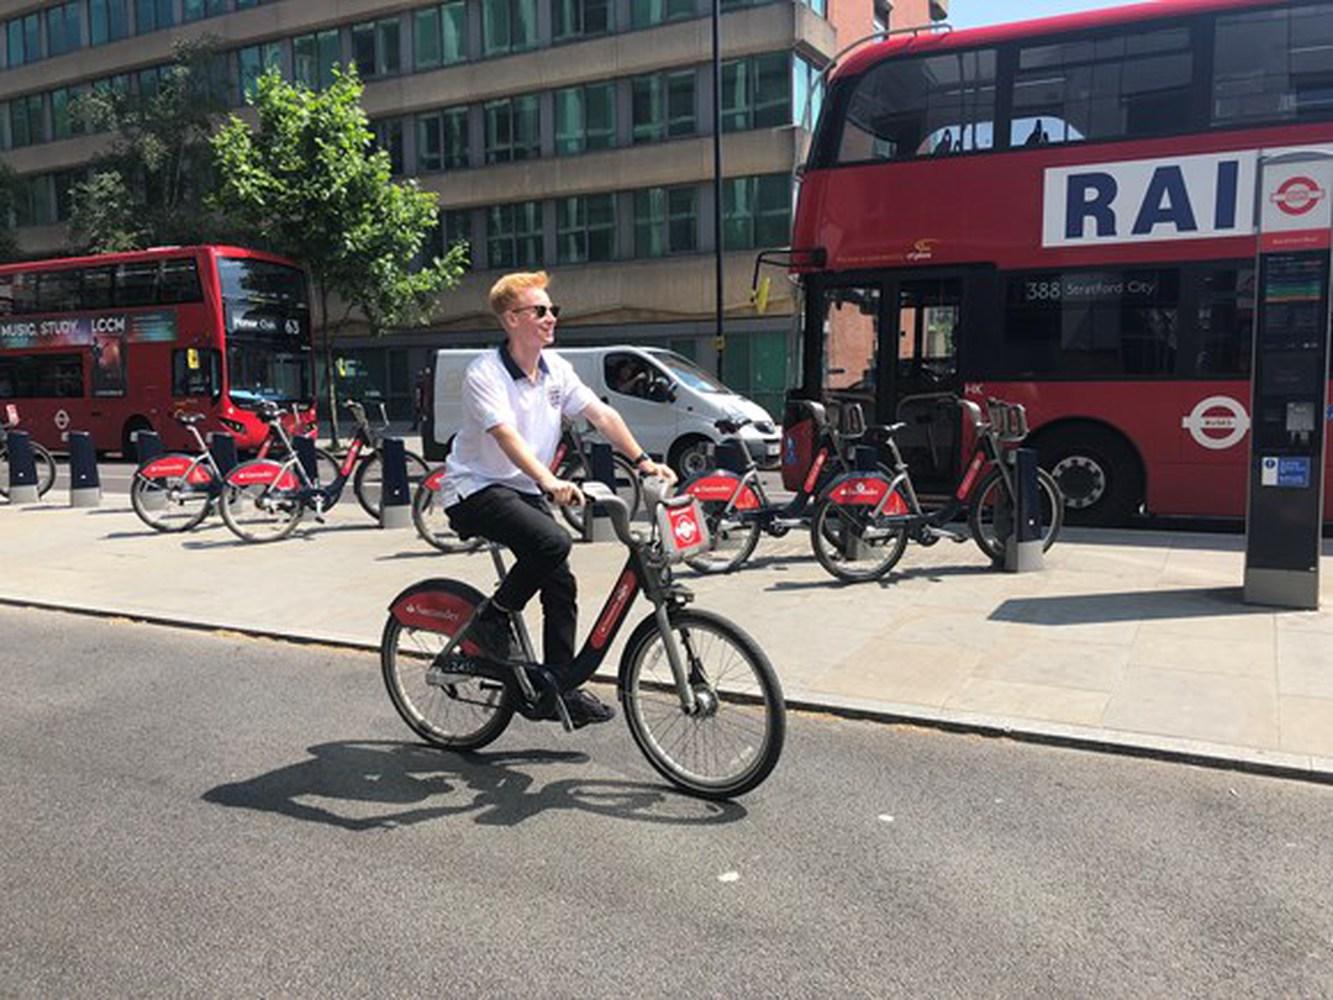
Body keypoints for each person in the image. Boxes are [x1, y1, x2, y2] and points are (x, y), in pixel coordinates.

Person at [441, 271, 677, 728]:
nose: (551, 318)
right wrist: (549, 480)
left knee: (560, 583)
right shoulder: (484, 373)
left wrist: (644, 461)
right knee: (553, 543)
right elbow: (505, 435)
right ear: (512, 319)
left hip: (522, 487)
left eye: (554, 310)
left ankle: (559, 687)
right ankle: (492, 618)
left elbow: (602, 415)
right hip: (476, 487)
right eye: (540, 311)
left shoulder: (556, 369)